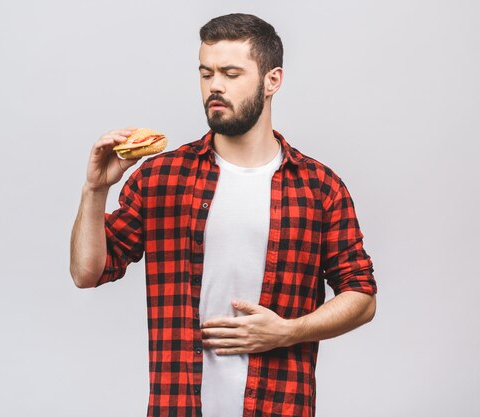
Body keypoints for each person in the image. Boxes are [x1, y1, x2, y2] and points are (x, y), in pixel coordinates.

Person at [70, 13, 377, 417]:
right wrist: (95, 189)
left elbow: (362, 296)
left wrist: (288, 331)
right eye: (206, 73)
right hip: (177, 406)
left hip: (279, 406)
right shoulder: (162, 177)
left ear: (273, 80)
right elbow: (87, 272)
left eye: (231, 73)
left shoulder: (319, 187)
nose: (215, 86)